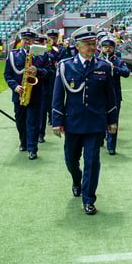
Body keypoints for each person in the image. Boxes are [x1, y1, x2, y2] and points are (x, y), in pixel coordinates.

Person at [52, 26, 118, 216]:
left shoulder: (104, 67)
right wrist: (57, 121)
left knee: (92, 161)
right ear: (78, 46)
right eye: (88, 44)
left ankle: (89, 198)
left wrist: (112, 120)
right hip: (72, 122)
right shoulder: (65, 66)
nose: (92, 47)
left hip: (95, 123)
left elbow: (110, 96)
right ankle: (76, 179)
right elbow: (58, 96)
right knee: (71, 160)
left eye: (93, 44)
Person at [4, 27, 49, 160]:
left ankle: (32, 148)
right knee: (20, 121)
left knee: (33, 122)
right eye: (25, 39)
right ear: (21, 40)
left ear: (34, 40)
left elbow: (50, 72)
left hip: (35, 94)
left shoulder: (42, 54)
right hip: (19, 94)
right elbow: (7, 75)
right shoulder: (13, 55)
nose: (27, 42)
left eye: (30, 39)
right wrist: (15, 86)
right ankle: (23, 141)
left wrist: (38, 71)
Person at [100, 34, 130, 155]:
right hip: (100, 95)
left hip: (114, 95)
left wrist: (115, 68)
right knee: (99, 118)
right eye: (105, 47)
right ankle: (100, 138)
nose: (107, 49)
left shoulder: (118, 60)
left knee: (113, 120)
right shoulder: (97, 59)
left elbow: (126, 72)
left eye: (110, 47)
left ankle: (111, 146)